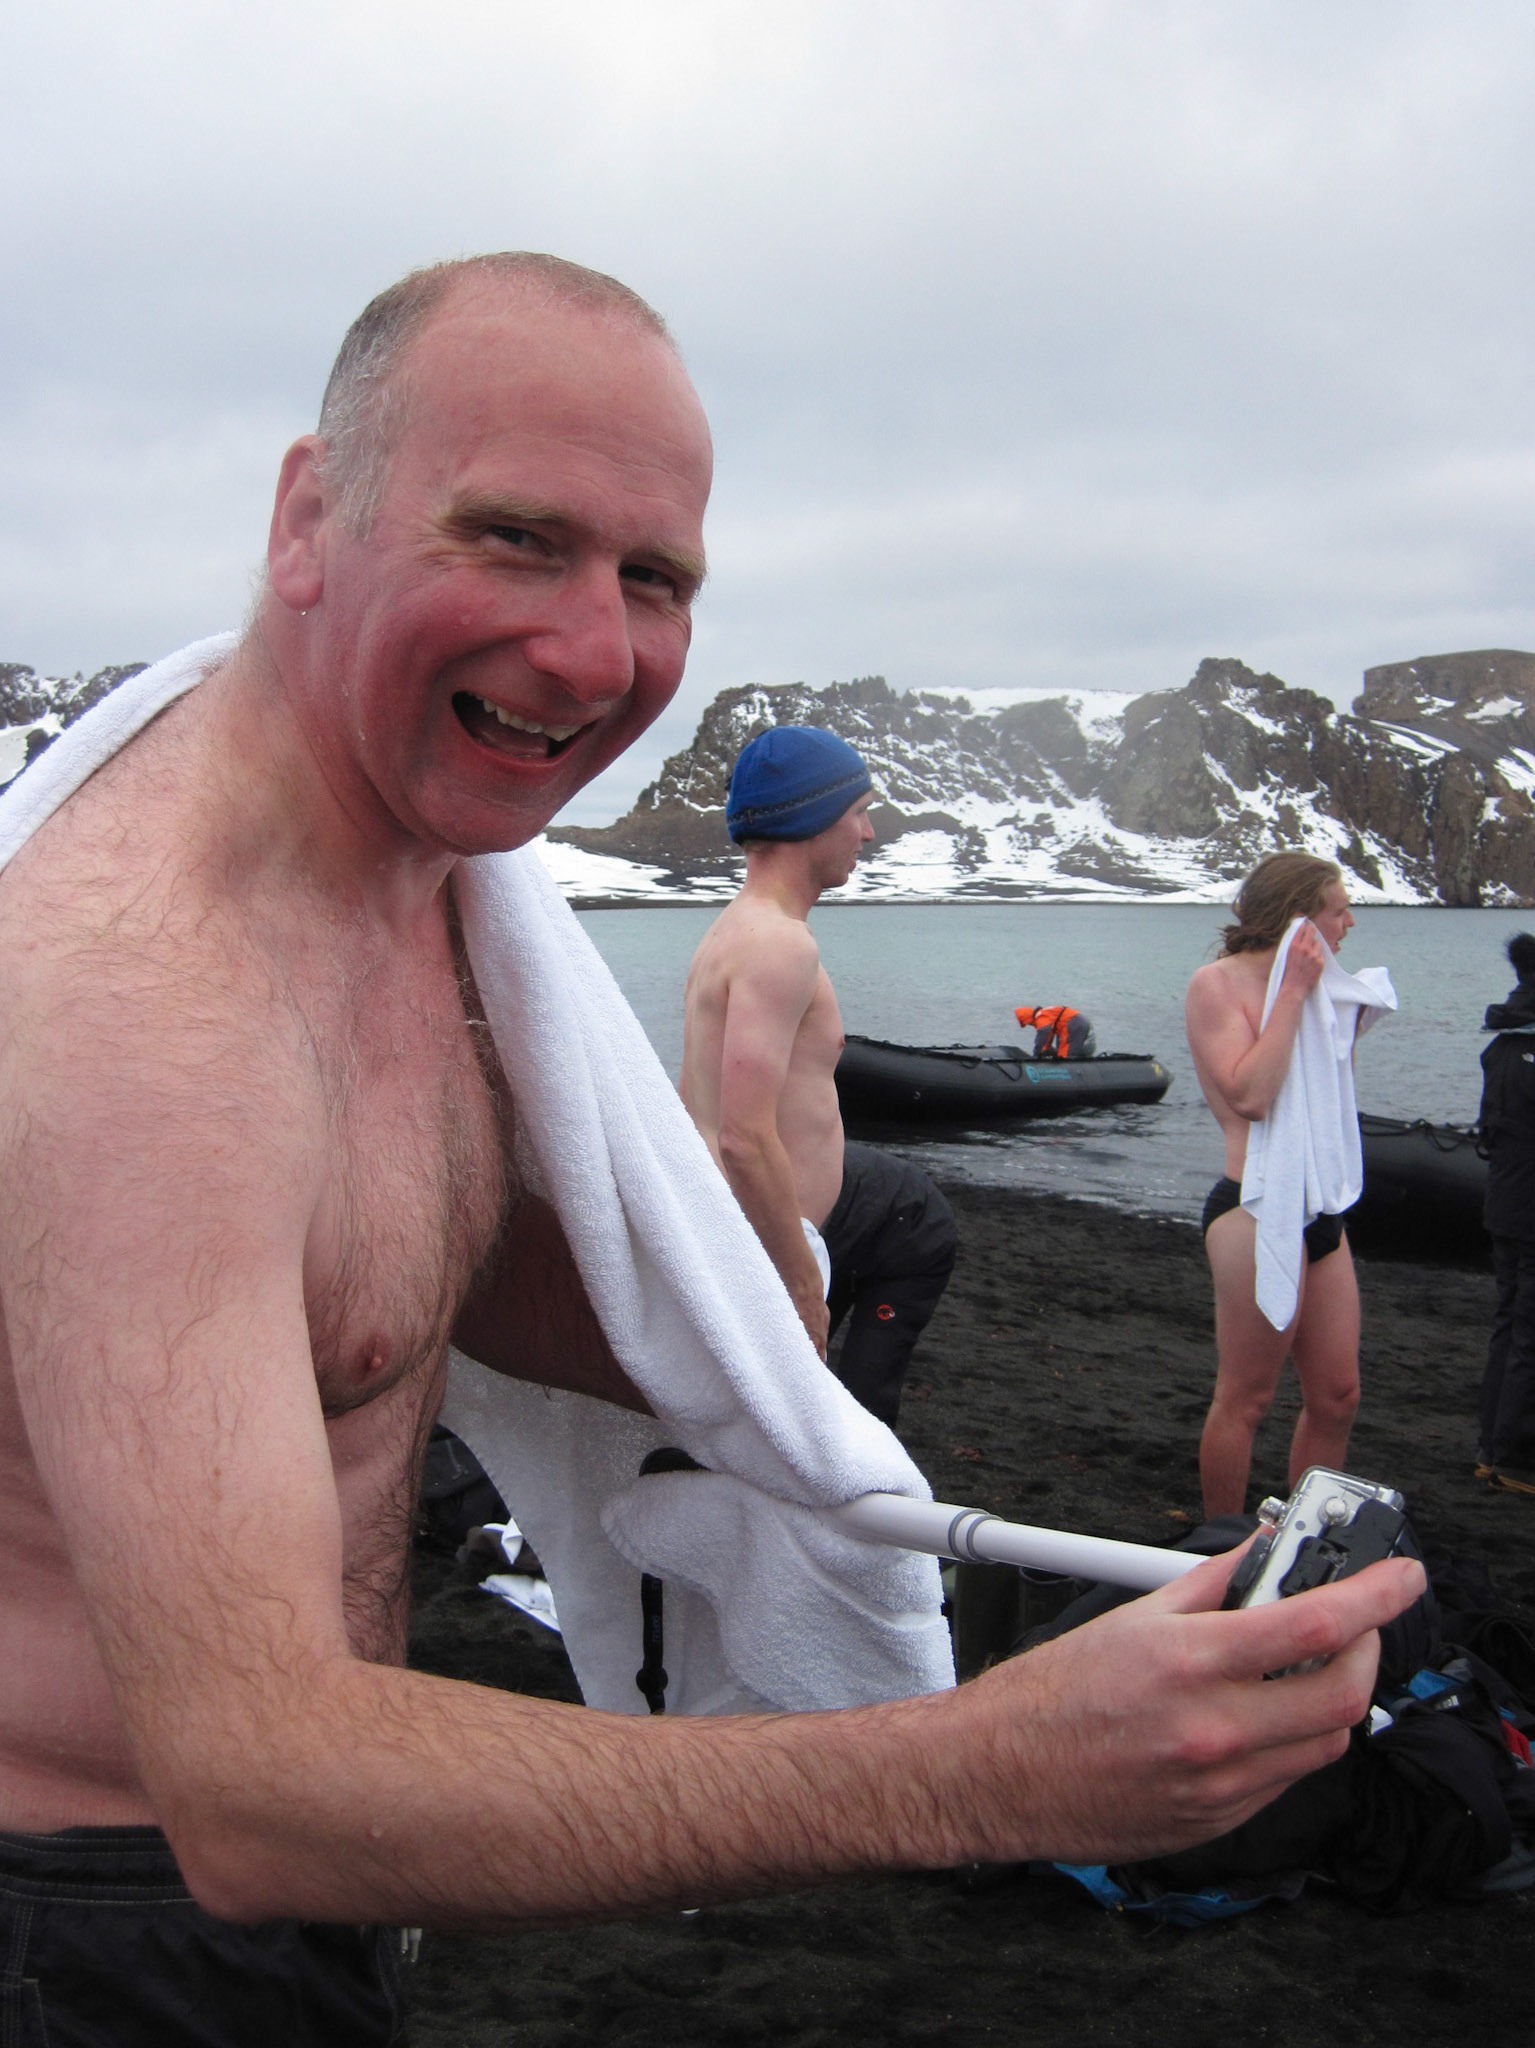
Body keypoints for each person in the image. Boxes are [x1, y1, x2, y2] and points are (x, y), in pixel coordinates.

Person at [0, 255, 1421, 2044]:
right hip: (102, 1921)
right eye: (514, 536)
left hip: (302, 1900)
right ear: (308, 515)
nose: (599, 651)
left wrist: (762, 1385)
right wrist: (983, 1765)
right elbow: (258, 1783)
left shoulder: (420, 876)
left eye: (655, 577)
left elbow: (414, 1291)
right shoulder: (144, 1009)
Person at [679, 726, 957, 1426]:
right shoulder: (780, 945)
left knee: (906, 1202)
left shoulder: (733, 929)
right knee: (921, 1223)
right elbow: (743, 1136)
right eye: (858, 812)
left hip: (736, 1218)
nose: (866, 834)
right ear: (812, 819)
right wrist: (804, 1282)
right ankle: (857, 1431)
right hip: (771, 1233)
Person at [1185, 852, 1364, 1518]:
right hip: (1252, 1208)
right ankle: (1220, 1540)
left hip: (1317, 1208)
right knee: (1248, 1396)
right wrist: (1290, 991)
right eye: (1337, 909)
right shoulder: (1217, 984)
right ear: (1297, 917)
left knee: (1337, 1394)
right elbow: (1253, 1095)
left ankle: (1302, 1532)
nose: (1348, 923)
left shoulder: (1323, 990)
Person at [1476, 931, 1535, 1494]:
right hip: (1528, 1205)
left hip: (1505, 1201)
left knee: (1509, 1320)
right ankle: (1515, 1457)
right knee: (1528, 1330)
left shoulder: (1502, 1046)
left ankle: (1491, 1447)